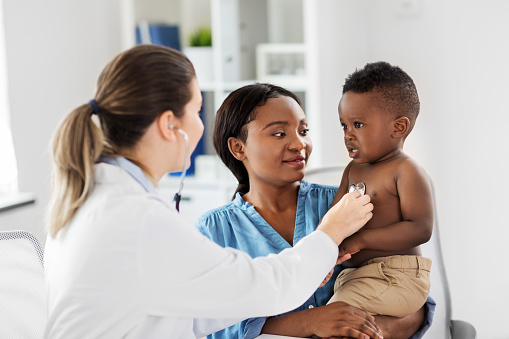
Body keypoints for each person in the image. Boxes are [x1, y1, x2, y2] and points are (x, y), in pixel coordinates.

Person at [43, 45, 377, 339]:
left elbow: (200, 309)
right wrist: (329, 233)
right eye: (197, 110)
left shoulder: (92, 202)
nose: (201, 125)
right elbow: (262, 287)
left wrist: (305, 273)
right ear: (168, 125)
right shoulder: (138, 219)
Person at [195, 83, 435, 339]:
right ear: (238, 148)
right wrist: (308, 322)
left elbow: (409, 296)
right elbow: (213, 328)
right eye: (279, 134)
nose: (299, 144)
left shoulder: (350, 204)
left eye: (303, 130)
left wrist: (364, 330)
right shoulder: (214, 231)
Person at [327, 61, 433, 319]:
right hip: (356, 276)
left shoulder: (406, 171)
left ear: (398, 127)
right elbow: (334, 218)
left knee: (333, 318)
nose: (348, 135)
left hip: (398, 276)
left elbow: (420, 228)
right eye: (344, 125)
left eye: (358, 125)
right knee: (329, 319)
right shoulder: (352, 170)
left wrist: (361, 240)